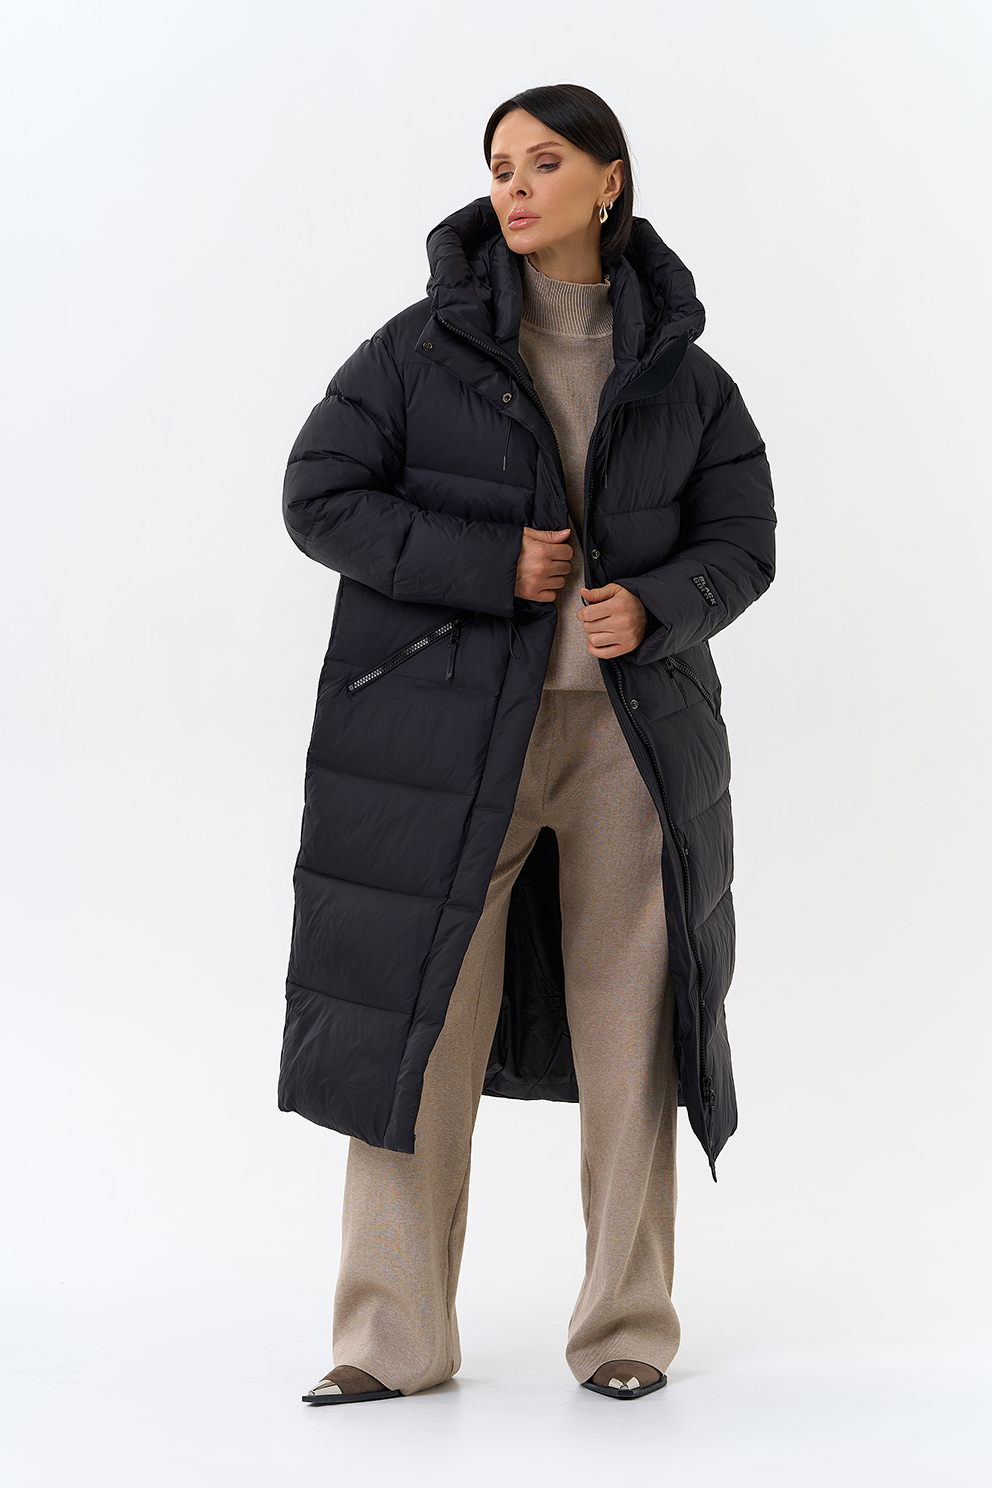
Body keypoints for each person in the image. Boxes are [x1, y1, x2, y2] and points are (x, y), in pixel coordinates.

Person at [278, 82, 777, 1405]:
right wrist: (489, 562)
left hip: (631, 743)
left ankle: (625, 1330)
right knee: (420, 1028)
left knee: (636, 1034)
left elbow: (744, 543)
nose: (512, 186)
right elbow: (318, 496)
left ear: (610, 181)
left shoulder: (687, 377)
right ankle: (389, 1341)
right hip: (445, 744)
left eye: (543, 162)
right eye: (499, 165)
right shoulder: (415, 352)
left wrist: (657, 604)